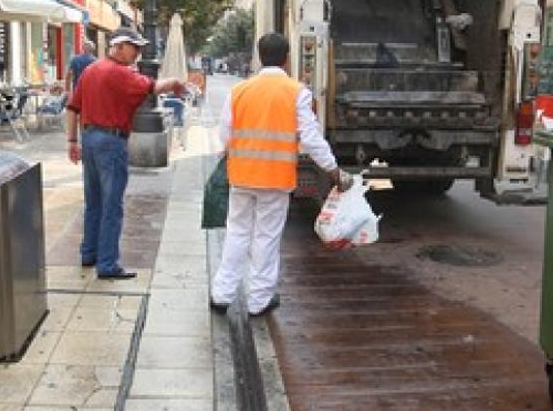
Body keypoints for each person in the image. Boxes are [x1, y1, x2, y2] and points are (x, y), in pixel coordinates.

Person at [211, 32, 351, 316]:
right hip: (274, 179)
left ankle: (222, 294)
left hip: (241, 175)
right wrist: (333, 170)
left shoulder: (239, 91)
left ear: (259, 57)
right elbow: (311, 138)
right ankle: (258, 300)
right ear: (287, 59)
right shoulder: (296, 91)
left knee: (237, 232)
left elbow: (225, 135)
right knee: (266, 237)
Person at [65, 28, 184, 279]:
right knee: (112, 205)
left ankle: (89, 253)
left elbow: (72, 108)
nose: (138, 53)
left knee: (93, 202)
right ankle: (107, 264)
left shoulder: (90, 70)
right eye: (134, 47)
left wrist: (72, 141)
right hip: (111, 142)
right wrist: (174, 82)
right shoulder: (121, 73)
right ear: (119, 46)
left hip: (89, 139)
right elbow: (153, 88)